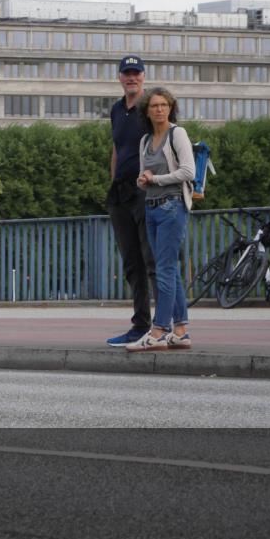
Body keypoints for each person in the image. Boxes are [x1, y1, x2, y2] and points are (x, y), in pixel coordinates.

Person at [126, 87, 196, 353]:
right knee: (169, 270)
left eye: (164, 105)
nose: (159, 110)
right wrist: (143, 180)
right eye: (154, 105)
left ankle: (158, 331)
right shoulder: (145, 140)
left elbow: (188, 171)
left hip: (172, 206)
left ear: (171, 108)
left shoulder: (177, 134)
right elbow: (144, 176)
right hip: (152, 207)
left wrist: (155, 179)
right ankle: (180, 331)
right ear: (147, 111)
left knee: (164, 270)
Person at [106, 55, 156, 347]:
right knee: (131, 262)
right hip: (121, 192)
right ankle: (140, 324)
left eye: (136, 73)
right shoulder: (115, 109)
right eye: (127, 73)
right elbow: (117, 148)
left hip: (146, 190)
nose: (131, 78)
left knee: (152, 259)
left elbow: (165, 142)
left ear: (144, 76)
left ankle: (164, 326)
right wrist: (113, 182)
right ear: (120, 77)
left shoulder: (151, 107)